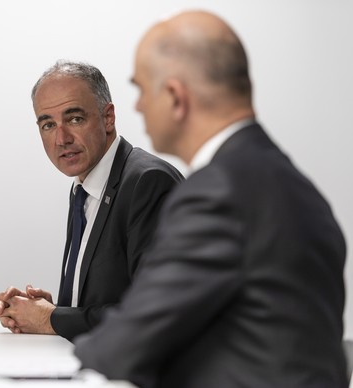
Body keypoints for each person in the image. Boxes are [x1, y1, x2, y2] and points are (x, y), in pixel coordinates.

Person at [73, 10, 348, 388]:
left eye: (140, 89)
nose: (136, 107)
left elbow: (127, 345)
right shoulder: (290, 184)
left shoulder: (219, 192)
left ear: (174, 97)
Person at [0, 61, 184, 341]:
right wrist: (51, 309)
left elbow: (157, 314)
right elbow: (111, 298)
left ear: (108, 118)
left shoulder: (149, 182)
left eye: (75, 119)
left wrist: (51, 318)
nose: (61, 138)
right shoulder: (82, 187)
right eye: (47, 124)